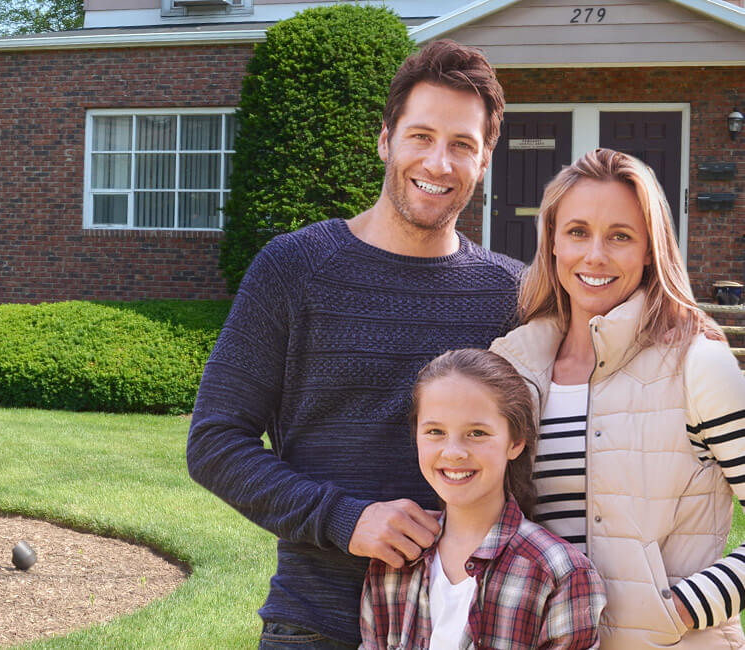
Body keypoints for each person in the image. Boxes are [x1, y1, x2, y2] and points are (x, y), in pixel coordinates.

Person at [187, 40, 522, 648]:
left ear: (485, 159)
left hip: (472, 628)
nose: (439, 163)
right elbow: (214, 441)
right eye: (421, 136)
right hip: (318, 622)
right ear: (385, 140)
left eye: (462, 145)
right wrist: (345, 520)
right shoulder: (292, 269)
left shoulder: (513, 294)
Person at [490, 148, 745, 648]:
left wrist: (686, 607)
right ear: (553, 244)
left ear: (651, 249)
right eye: (578, 232)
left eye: (621, 237)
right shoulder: (512, 367)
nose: (596, 256)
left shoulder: (698, 362)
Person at [360, 348, 606, 649]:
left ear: (515, 442)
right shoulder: (394, 561)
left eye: (476, 433)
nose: (453, 452)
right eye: (435, 431)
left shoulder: (559, 573)